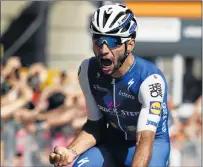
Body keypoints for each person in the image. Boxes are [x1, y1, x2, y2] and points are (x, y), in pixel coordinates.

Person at [49, 4, 170, 167]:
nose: (103, 50)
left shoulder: (150, 79)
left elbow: (144, 139)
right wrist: (70, 152)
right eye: (98, 40)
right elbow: (95, 126)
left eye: (113, 42)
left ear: (131, 44)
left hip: (150, 144)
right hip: (113, 144)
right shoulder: (87, 71)